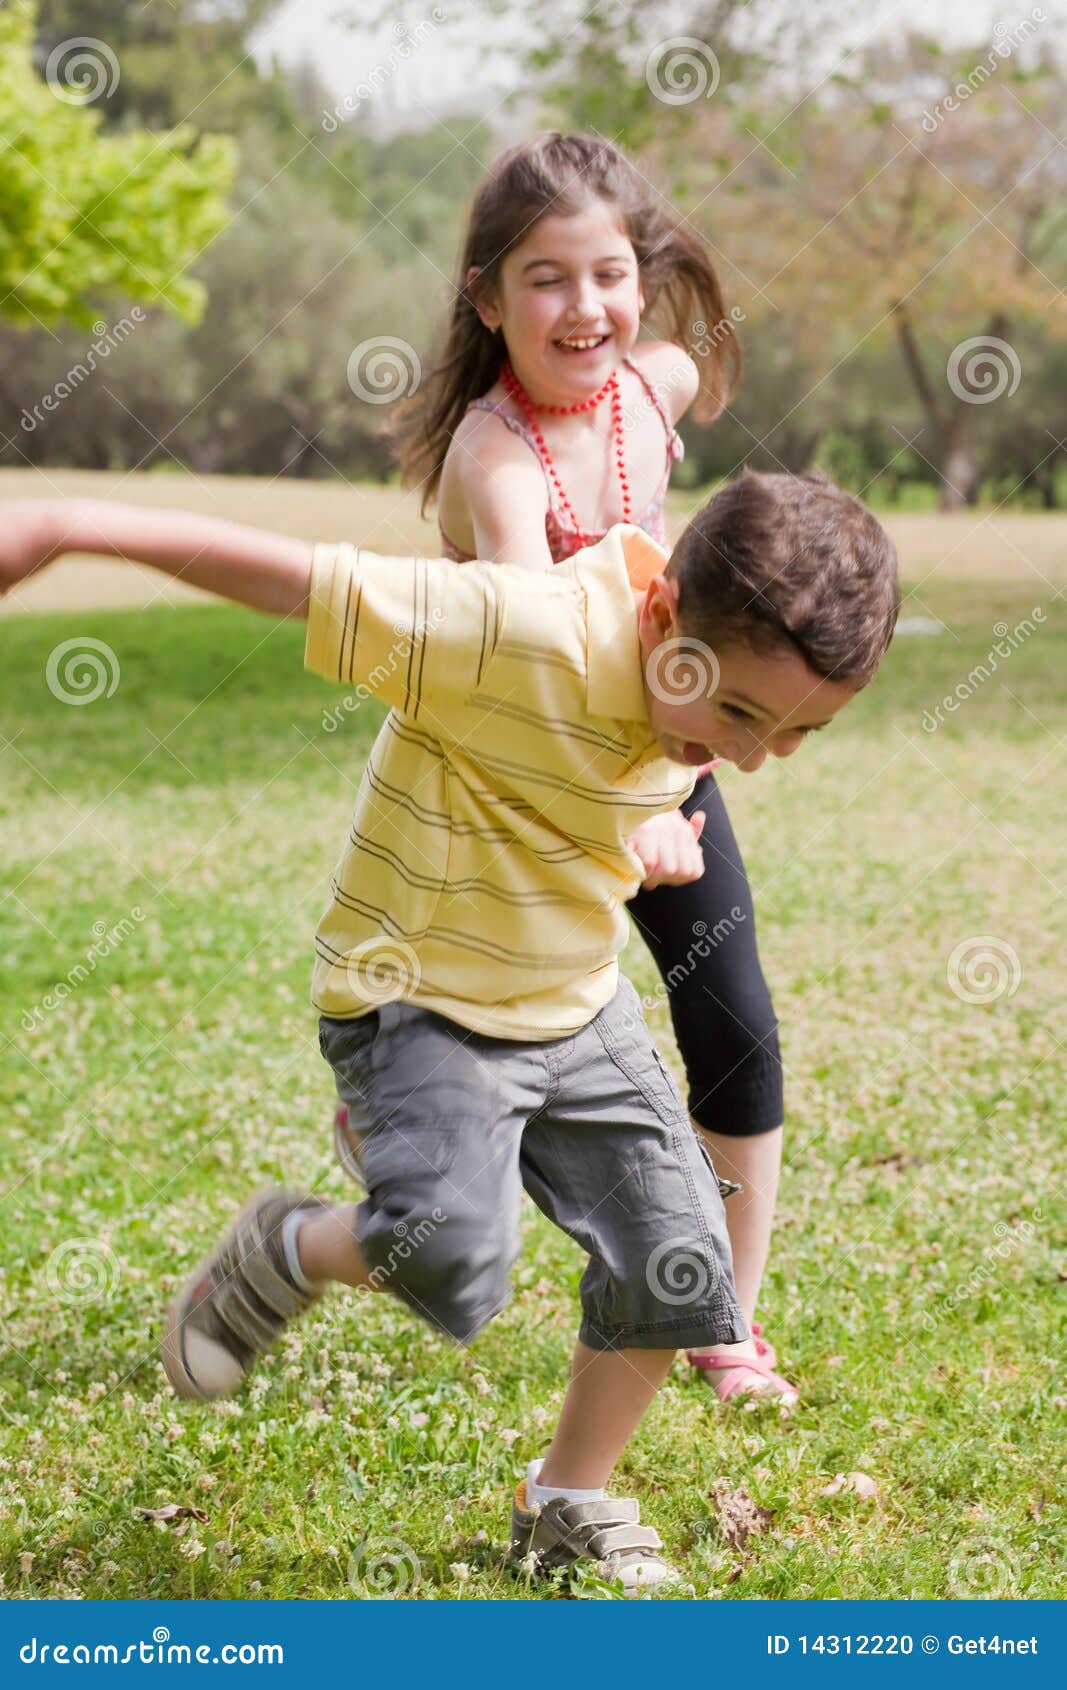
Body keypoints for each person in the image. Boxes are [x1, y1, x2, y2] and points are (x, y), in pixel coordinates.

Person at [0, 466, 899, 1589]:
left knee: (681, 1259)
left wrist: (651, 834)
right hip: (418, 998)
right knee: (451, 1257)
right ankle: (287, 1248)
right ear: (660, 613)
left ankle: (564, 1500)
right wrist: (70, 526)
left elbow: (584, 781)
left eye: (800, 732)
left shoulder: (689, 696)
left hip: (573, 999)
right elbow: (293, 581)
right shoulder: (507, 630)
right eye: (740, 717)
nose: (754, 754)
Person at [361, 129, 790, 1400]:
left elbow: (687, 366)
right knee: (504, 1043)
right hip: (514, 788)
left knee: (734, 1024)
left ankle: (724, 1318)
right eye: (544, 279)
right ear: (488, 300)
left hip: (662, 763)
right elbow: (533, 655)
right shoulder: (492, 459)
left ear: (640, 281)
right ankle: (393, 1127)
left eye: (608, 273)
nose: (584, 306)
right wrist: (619, 826)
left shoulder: (654, 385)